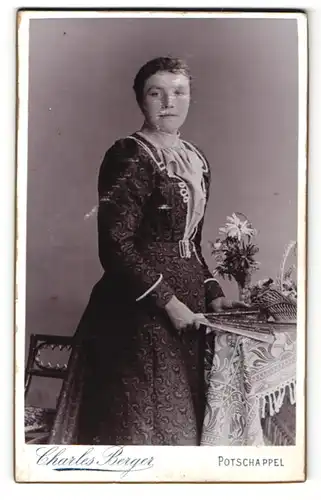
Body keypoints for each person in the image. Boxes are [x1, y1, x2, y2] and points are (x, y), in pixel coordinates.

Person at [49, 56, 245, 446]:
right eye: (157, 93)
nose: (169, 102)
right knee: (145, 427)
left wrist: (214, 293)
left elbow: (189, 241)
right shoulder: (128, 155)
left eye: (179, 92)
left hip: (191, 307)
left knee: (185, 425)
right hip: (139, 310)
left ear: (190, 98)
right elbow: (115, 246)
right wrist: (168, 301)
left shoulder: (196, 159)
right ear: (141, 99)